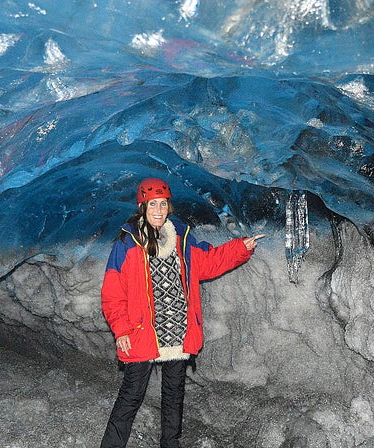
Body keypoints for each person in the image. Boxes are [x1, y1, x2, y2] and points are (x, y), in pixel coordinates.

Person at [99, 178, 265, 448]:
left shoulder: (181, 237)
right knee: (131, 396)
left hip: (178, 329)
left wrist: (240, 248)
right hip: (142, 332)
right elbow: (113, 293)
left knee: (174, 393)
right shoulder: (127, 242)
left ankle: (170, 443)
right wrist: (122, 330)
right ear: (142, 206)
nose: (158, 210)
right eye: (152, 204)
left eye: (163, 204)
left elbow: (208, 262)